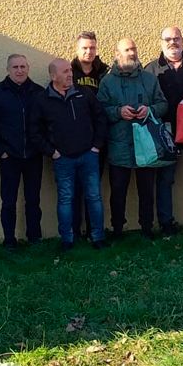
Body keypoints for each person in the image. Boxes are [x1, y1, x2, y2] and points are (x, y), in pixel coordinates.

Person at [28, 58, 109, 251]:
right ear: (53, 76)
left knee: (94, 197)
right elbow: (34, 131)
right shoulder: (42, 100)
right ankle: (67, 239)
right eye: (65, 72)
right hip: (62, 159)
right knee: (65, 199)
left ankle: (98, 237)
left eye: (70, 71)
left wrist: (97, 145)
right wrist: (52, 152)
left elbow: (101, 118)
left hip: (88, 156)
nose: (70, 75)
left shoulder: (84, 93)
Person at [98, 38, 168, 239]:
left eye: (134, 49)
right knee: (118, 192)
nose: (132, 53)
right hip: (119, 145)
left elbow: (163, 104)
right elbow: (99, 110)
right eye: (127, 50)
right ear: (117, 53)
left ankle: (147, 228)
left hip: (146, 145)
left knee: (147, 191)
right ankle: (117, 230)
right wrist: (118, 112)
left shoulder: (148, 79)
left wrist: (150, 110)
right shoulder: (107, 81)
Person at [0, 54, 46, 251]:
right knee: (8, 201)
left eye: (23, 66)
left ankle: (34, 237)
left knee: (33, 200)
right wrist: (0, 152)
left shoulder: (39, 92)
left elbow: (46, 123)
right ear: (8, 70)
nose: (20, 70)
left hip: (33, 156)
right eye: (15, 67)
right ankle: (9, 240)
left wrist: (41, 147)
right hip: (9, 157)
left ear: (28, 68)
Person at [144, 26, 183, 234]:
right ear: (161, 42)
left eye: (176, 38)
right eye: (168, 39)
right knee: (165, 180)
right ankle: (166, 223)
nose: (172, 42)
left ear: (182, 40)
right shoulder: (151, 69)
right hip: (164, 133)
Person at [69, 31, 109, 240]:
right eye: (84, 47)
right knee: (74, 191)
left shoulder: (104, 72)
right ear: (77, 49)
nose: (89, 51)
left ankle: (94, 232)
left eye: (92, 47)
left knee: (93, 191)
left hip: (98, 140)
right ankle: (75, 232)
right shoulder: (69, 73)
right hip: (75, 140)